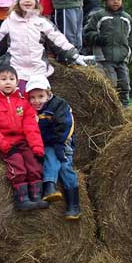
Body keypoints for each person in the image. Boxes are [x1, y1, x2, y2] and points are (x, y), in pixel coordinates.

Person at [0, 0, 85, 93]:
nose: (27, 1)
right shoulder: (9, 22)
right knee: (20, 99)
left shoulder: (42, 23)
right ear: (17, 1)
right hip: (17, 70)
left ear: (36, 2)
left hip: (39, 70)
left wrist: (73, 54)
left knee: (40, 98)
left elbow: (58, 39)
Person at [0, 65, 48, 210]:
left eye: (11, 79)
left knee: (34, 163)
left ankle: (36, 195)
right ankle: (21, 198)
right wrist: (5, 146)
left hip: (21, 142)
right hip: (4, 144)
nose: (8, 82)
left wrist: (37, 148)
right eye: (3, 79)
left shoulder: (23, 103)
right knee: (17, 164)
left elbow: (31, 127)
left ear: (17, 82)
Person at [26, 75, 81, 219]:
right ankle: (49, 187)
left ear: (48, 93)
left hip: (62, 142)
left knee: (65, 167)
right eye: (32, 97)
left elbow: (66, 127)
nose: (36, 101)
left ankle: (73, 205)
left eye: (40, 96)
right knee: (49, 156)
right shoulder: (29, 111)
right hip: (45, 143)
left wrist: (58, 145)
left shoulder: (60, 105)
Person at [83, 0, 132, 107]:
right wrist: (96, 38)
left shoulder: (127, 18)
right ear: (105, 0)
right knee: (112, 85)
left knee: (125, 85)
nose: (115, 1)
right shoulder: (99, 16)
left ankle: (125, 109)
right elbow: (88, 32)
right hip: (105, 59)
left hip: (122, 59)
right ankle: (112, 110)